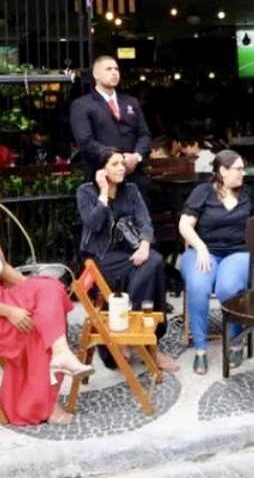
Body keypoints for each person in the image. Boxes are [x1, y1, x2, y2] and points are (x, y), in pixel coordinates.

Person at [0, 181, 93, 425]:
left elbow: (2, 268)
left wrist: (32, 287)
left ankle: (61, 352)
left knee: (49, 286)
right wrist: (11, 312)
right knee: (34, 331)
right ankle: (41, 406)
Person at [76, 153, 179, 373]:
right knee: (150, 272)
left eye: (122, 163)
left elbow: (145, 222)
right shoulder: (86, 192)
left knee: (154, 262)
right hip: (103, 257)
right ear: (101, 169)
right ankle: (144, 341)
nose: (122, 168)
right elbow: (93, 225)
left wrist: (144, 244)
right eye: (115, 164)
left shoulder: (131, 190)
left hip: (131, 251)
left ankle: (142, 336)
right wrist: (103, 193)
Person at [178, 150, 254, 374]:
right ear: (222, 171)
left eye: (243, 169)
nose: (243, 173)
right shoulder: (202, 192)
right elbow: (184, 225)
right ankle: (200, 349)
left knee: (227, 287)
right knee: (198, 285)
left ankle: (236, 341)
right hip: (205, 251)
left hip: (239, 253)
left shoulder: (247, 194)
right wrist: (200, 247)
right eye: (238, 169)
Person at [70, 55, 152, 188]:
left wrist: (136, 157)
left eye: (116, 69)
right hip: (101, 177)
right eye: (108, 69)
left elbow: (144, 135)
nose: (114, 73)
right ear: (96, 74)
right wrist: (115, 158)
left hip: (134, 176)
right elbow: (85, 141)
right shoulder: (82, 105)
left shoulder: (131, 101)